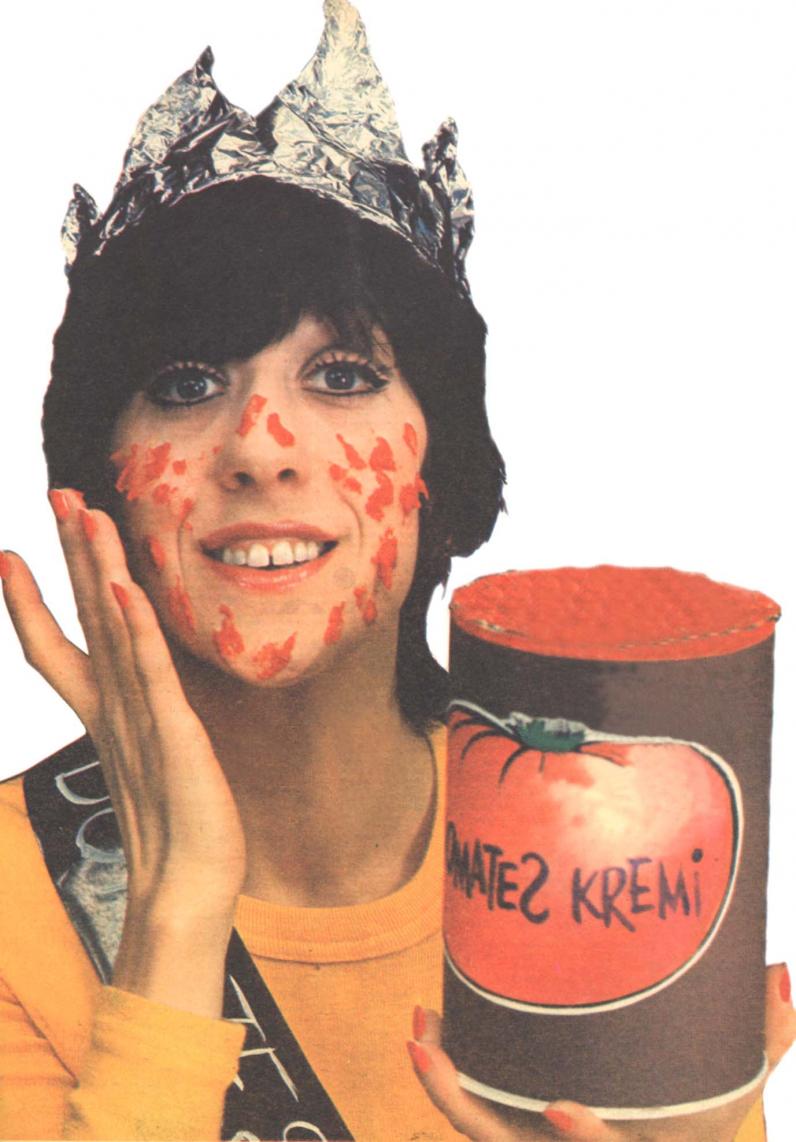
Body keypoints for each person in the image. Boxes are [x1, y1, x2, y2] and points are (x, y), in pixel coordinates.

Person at [0, 2, 793, 1140]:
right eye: (184, 384)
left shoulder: (601, 838)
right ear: (101, 480)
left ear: (441, 462)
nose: (260, 445)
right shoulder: (13, 902)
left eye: (340, 375)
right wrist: (174, 913)